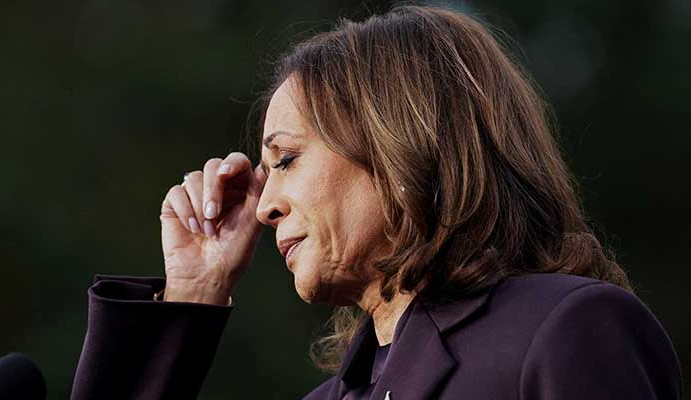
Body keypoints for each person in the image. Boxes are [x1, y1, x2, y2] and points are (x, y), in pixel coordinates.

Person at [70, 5, 682, 400]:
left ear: (399, 147)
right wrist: (194, 293)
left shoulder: (564, 329)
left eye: (285, 159)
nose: (262, 207)